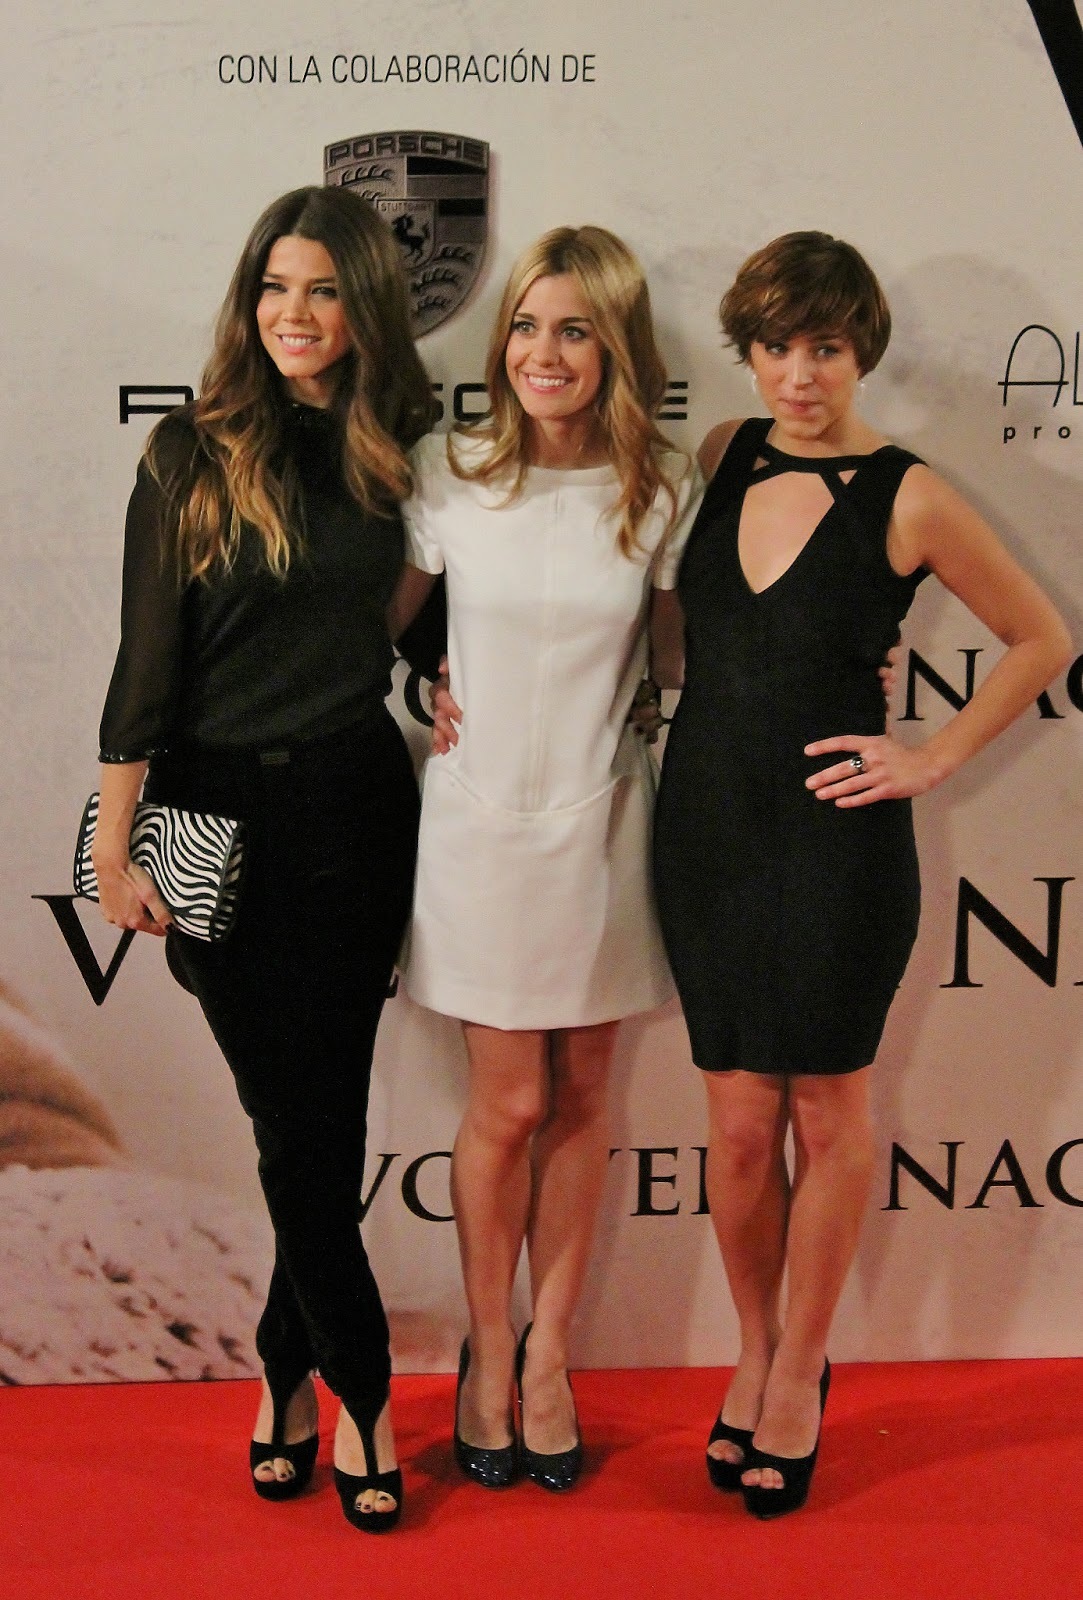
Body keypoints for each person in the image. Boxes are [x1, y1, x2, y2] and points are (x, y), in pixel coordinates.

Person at [651, 231, 1072, 1519]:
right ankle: (754, 1347)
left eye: (825, 348)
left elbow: (1042, 638)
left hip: (837, 842)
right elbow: (681, 633)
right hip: (708, 827)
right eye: (778, 347)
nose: (799, 374)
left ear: (862, 353)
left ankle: (801, 1371)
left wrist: (930, 754)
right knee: (736, 1125)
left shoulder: (910, 494)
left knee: (827, 1114)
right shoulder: (721, 454)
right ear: (750, 351)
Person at [92, 185, 440, 1532]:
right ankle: (363, 1386)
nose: (294, 313)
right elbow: (148, 659)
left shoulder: (394, 451)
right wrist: (112, 838)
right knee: (291, 1124)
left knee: (323, 1118)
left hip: (355, 806)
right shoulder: (188, 450)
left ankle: (289, 1378)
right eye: (274, 287)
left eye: (323, 290)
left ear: (364, 308)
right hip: (213, 815)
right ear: (249, 302)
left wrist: (450, 669)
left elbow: (411, 615)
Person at [388, 226, 699, 1491]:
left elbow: (679, 654)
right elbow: (379, 626)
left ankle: (553, 1355)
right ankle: (487, 1351)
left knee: (582, 1101)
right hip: (477, 829)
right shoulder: (449, 470)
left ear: (616, 344)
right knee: (508, 1103)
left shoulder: (660, 486)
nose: (544, 352)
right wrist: (422, 679)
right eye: (525, 325)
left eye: (574, 329)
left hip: (605, 818)